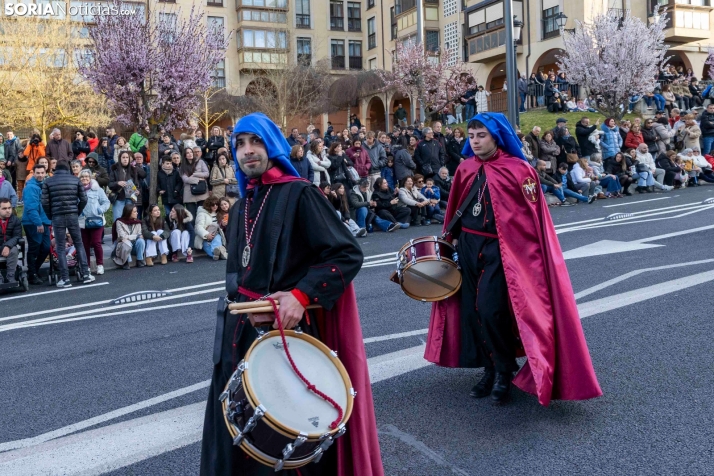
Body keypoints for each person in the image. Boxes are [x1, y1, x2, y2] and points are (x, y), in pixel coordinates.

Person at [200, 112, 384, 476]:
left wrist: (300, 296)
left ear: (272, 145)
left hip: (288, 339)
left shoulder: (301, 194)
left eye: (255, 142)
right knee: (234, 440)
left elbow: (346, 254)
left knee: (287, 447)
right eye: (239, 144)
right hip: (239, 341)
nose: (247, 151)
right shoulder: (239, 208)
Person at [426, 113, 602, 405]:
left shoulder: (519, 170)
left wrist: (526, 256)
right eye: (471, 136)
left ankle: (505, 370)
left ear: (496, 136)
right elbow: (456, 208)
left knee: (492, 309)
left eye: (481, 135)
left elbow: (533, 221)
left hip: (502, 250)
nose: (475, 141)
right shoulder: (465, 168)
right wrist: (450, 242)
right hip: (469, 245)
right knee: (473, 311)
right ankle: (490, 367)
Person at [41, 160, 93, 287]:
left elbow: (45, 202)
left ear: (55, 169)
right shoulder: (75, 180)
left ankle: (65, 279)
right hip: (72, 215)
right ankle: (86, 274)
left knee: (59, 247)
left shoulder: (48, 181)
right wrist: (77, 210)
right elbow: (84, 199)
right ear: (68, 169)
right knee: (79, 243)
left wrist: (50, 215)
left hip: (57, 216)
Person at [21, 163, 52, 284]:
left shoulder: (44, 185)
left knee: (45, 247)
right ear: (33, 173)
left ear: (45, 173)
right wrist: (38, 223)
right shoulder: (30, 187)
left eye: (42, 173)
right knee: (35, 247)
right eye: (37, 173)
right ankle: (32, 274)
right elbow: (31, 208)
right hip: (33, 222)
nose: (40, 175)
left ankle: (34, 271)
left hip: (44, 221)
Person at [77, 169, 110, 275]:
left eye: (86, 176)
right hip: (83, 222)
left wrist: (99, 210)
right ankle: (86, 267)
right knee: (85, 245)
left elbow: (106, 202)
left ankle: (100, 265)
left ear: (90, 178)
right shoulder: (77, 190)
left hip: (97, 220)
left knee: (96, 243)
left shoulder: (97, 189)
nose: (84, 178)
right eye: (82, 177)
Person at [108, 151, 145, 222]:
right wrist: (118, 183)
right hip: (119, 197)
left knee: (130, 218)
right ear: (120, 159)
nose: (125, 159)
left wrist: (137, 191)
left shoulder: (133, 169)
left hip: (130, 198)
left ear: (129, 159)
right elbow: (110, 184)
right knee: (118, 219)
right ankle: (118, 233)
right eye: (123, 157)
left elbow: (137, 184)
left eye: (127, 157)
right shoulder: (114, 168)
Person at [112, 203, 145, 269]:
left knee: (141, 241)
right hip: (123, 246)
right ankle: (126, 261)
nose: (137, 213)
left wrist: (133, 237)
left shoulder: (138, 222)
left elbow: (140, 235)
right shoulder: (119, 222)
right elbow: (122, 236)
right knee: (126, 242)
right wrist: (136, 236)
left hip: (134, 245)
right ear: (129, 212)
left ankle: (139, 260)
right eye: (135, 212)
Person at [180, 147, 210, 220]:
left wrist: (195, 174)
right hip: (189, 193)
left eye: (191, 152)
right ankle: (192, 231)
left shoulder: (201, 162)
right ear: (185, 155)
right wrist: (198, 180)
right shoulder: (182, 166)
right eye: (187, 153)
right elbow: (185, 179)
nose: (190, 154)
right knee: (191, 216)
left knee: (202, 215)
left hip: (201, 191)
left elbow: (206, 174)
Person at [194, 196, 227, 260]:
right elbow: (198, 227)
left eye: (216, 204)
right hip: (204, 238)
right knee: (209, 245)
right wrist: (206, 235)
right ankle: (220, 254)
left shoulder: (218, 213)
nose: (215, 206)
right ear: (208, 205)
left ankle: (217, 254)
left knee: (217, 238)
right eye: (212, 204)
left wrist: (223, 224)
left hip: (216, 235)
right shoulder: (202, 214)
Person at [0, 197, 22, 283]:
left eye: (9, 208)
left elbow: (17, 236)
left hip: (9, 246)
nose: (8, 210)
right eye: (4, 208)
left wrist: (7, 246)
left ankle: (10, 276)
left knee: (14, 250)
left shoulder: (15, 220)